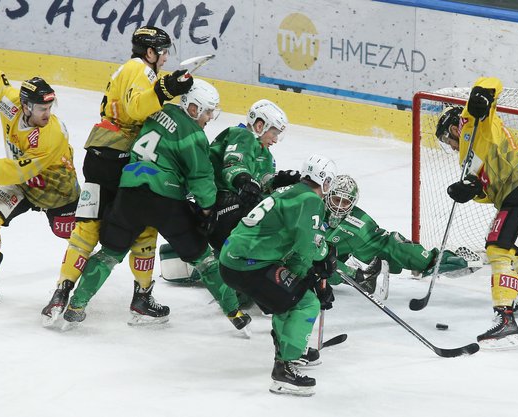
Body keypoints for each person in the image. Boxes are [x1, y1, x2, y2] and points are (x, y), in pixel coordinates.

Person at [40, 26, 193, 326]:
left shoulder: (129, 69)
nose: (164, 58)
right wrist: (167, 89)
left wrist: (170, 85)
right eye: (161, 52)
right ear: (149, 52)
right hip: (123, 161)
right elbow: (137, 108)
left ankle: (61, 292)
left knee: (86, 229)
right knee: (145, 224)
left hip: (98, 154)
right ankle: (142, 297)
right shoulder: (141, 71)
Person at [62, 79, 221, 328]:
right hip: (163, 197)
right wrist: (208, 206)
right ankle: (234, 313)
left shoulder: (157, 110)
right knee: (191, 252)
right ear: (193, 108)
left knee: (109, 251)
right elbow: (200, 176)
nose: (210, 116)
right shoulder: (193, 134)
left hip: (124, 183)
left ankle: (75, 303)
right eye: (208, 110)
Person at [437, 77, 518, 349]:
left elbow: (491, 82)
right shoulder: (466, 158)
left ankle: (506, 321)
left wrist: (482, 94)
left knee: (497, 249)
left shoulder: (473, 125)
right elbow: (486, 191)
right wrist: (471, 190)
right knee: (508, 247)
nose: (450, 144)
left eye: (447, 138)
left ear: (455, 127)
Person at [161, 99, 296, 330]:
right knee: (254, 217)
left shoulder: (266, 154)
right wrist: (244, 181)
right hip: (214, 205)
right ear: (260, 124)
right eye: (273, 132)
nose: (275, 139)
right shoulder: (240, 135)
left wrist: (280, 180)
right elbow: (233, 165)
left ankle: (244, 273)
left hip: (230, 207)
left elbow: (260, 183)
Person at [0, 54, 80, 296]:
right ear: (26, 106)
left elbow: (19, 169)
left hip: (58, 192)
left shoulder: (51, 134)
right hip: (22, 186)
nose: (47, 114)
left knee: (76, 238)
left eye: (50, 107)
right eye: (42, 108)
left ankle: (88, 266)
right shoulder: (11, 106)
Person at [219, 154, 338, 397]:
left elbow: (299, 249)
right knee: (305, 303)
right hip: (247, 264)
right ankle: (285, 370)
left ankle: (290, 347)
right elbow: (308, 246)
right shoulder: (311, 201)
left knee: (290, 298)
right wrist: (325, 254)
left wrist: (309, 273)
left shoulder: (291, 192)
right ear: (323, 180)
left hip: (238, 259)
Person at [322, 175, 473, 293]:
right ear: (328, 196)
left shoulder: (356, 222)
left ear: (353, 203)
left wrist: (426, 260)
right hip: (311, 260)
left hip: (334, 252)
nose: (339, 207)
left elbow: (385, 244)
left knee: (397, 247)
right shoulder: (313, 208)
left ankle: (445, 260)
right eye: (336, 199)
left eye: (345, 202)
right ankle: (347, 276)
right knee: (319, 263)